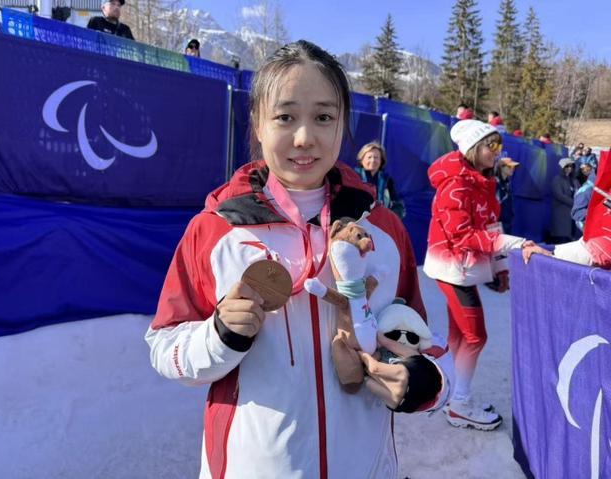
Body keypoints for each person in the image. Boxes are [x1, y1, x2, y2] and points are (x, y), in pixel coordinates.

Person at [145, 40, 437, 478]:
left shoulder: (383, 229)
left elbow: (423, 340)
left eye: (323, 117)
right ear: (258, 124)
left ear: (342, 124)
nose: (304, 138)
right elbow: (164, 346)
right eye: (285, 117)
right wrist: (220, 336)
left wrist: (421, 381)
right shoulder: (216, 230)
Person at [422, 119, 537, 431]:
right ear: (473, 148)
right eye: (492, 145)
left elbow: (490, 226)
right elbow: (463, 236)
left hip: (466, 269)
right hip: (453, 269)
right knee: (476, 335)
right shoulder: (456, 185)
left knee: (461, 334)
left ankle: (452, 394)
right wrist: (517, 244)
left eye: (499, 145)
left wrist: (500, 268)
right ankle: (459, 403)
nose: (498, 151)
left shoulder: (483, 181)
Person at [354, 141, 406, 219]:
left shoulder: (387, 180)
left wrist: (390, 218)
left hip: (381, 220)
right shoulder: (353, 176)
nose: (373, 160)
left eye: (376, 157)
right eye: (369, 157)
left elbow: (398, 205)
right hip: (358, 220)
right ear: (362, 159)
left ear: (381, 161)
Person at [550, 158, 580, 244]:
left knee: (571, 237)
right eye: (567, 166)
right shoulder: (557, 179)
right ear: (562, 167)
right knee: (561, 237)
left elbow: (580, 192)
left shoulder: (574, 180)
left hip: (572, 212)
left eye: (571, 166)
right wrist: (575, 203)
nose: (569, 168)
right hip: (561, 212)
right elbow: (559, 195)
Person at [494, 155, 519, 234]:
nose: (512, 169)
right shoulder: (495, 184)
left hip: (507, 222)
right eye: (509, 167)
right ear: (501, 168)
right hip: (498, 223)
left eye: (513, 167)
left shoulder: (507, 183)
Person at [572, 156, 597, 231]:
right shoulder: (586, 189)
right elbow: (576, 213)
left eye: (586, 167)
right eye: (582, 169)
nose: (584, 170)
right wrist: (598, 214)